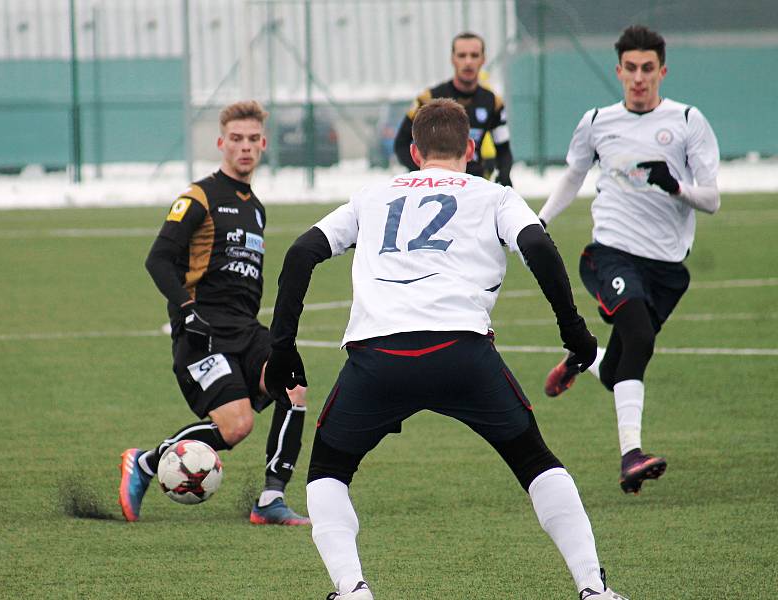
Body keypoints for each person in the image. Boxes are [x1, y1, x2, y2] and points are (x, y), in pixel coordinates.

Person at [266, 98, 628, 599]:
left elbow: (301, 251)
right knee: (536, 463)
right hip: (462, 352)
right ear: (472, 149)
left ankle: (353, 590)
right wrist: (575, 332)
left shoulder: (371, 196)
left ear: (414, 152)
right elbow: (540, 247)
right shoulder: (494, 196)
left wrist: (283, 345)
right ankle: (593, 589)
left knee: (328, 474)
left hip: (379, 358)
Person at [539, 25, 720, 495]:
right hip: (610, 254)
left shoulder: (687, 122)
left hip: (666, 268)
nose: (639, 78)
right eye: (631, 69)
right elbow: (573, 176)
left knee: (622, 366)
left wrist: (676, 187)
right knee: (639, 334)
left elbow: (712, 200)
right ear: (618, 71)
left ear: (663, 71)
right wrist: (539, 222)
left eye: (648, 69)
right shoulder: (598, 120)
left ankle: (585, 359)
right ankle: (631, 456)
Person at [118, 100, 310, 525]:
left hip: (245, 329)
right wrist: (186, 310)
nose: (245, 147)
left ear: (264, 144)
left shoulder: (256, 206)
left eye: (253, 140)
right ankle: (146, 464)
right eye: (236, 140)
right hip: (202, 332)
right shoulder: (199, 197)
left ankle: (270, 500)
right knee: (236, 427)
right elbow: (158, 259)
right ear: (221, 143)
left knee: (293, 385)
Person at [393, 31, 514, 187]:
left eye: (474, 55)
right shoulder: (429, 98)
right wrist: (423, 174)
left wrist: (504, 176)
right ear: (452, 59)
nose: (468, 62)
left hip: (474, 185)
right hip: (436, 185)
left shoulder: (493, 102)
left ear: (483, 60)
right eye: (462, 55)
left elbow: (503, 148)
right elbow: (401, 143)